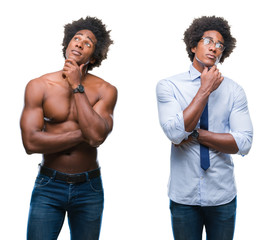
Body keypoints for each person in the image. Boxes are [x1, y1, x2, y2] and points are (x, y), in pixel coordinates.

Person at [156, 16, 253, 240]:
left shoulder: (234, 91)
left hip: (222, 195)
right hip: (184, 197)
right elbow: (174, 133)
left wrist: (195, 133)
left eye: (220, 45)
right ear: (193, 45)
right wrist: (205, 90)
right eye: (208, 40)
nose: (214, 47)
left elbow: (244, 143)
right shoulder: (169, 86)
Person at [20, 16, 117, 240]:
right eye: (76, 38)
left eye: (88, 42)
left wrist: (77, 86)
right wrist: (84, 134)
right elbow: (31, 143)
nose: (79, 43)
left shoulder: (106, 90)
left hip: (89, 187)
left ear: (93, 56)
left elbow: (96, 137)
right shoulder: (39, 85)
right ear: (67, 43)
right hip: (48, 185)